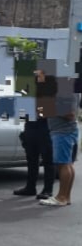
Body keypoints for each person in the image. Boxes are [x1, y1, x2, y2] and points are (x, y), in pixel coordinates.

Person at [15, 70, 55, 200]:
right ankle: (30, 187)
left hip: (45, 128)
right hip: (30, 127)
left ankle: (48, 190)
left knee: (47, 161)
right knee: (32, 160)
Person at [41, 78, 77, 208]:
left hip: (62, 132)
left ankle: (61, 197)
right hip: (63, 131)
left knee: (63, 164)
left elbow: (70, 114)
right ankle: (65, 197)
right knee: (67, 164)